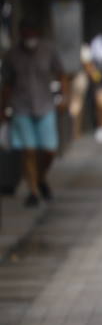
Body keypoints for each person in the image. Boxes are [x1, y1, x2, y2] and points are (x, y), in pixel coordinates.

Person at [1, 25, 68, 207]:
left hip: (45, 105)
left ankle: (40, 178)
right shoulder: (12, 55)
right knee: (28, 150)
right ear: (21, 35)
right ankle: (33, 191)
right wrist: (3, 108)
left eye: (32, 33)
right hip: (21, 106)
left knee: (49, 150)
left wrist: (63, 97)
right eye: (26, 33)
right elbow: (6, 84)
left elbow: (61, 74)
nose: (29, 37)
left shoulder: (48, 50)